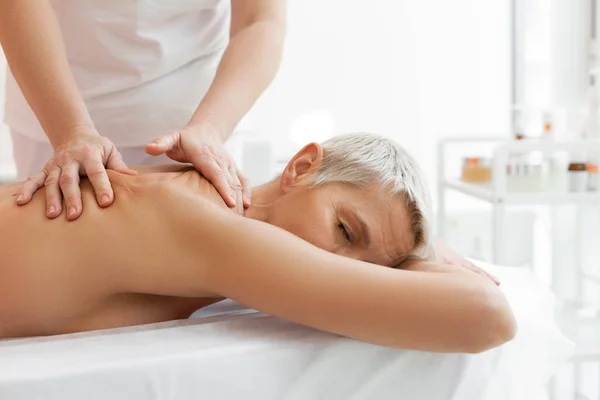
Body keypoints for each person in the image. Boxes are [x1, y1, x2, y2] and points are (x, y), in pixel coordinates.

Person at [0, 133, 516, 353]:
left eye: (372, 265)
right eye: (344, 230)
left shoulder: (198, 203)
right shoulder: (213, 229)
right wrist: (427, 260)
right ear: (302, 166)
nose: (341, 264)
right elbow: (489, 317)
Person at [0, 0, 286, 219]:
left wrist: (211, 127)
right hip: (54, 103)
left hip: (204, 119)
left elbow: (260, 20)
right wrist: (70, 132)